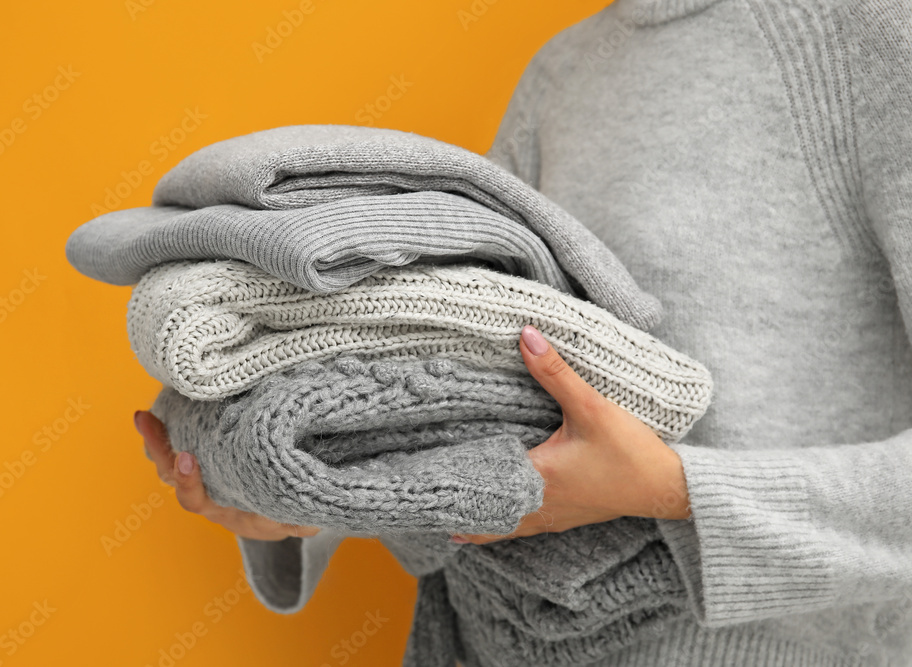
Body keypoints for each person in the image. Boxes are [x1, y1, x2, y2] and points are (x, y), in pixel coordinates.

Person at [136, 0, 912, 663]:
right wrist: (309, 491)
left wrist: (677, 493)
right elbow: (466, 391)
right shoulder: (563, 73)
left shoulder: (870, 36)